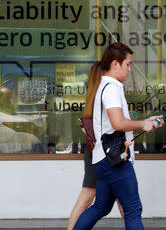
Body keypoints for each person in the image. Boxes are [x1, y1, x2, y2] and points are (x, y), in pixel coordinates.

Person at [73, 43, 163, 230]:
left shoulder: (105, 85)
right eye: (128, 64)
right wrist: (143, 124)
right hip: (115, 160)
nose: (130, 69)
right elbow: (118, 123)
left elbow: (116, 123)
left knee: (100, 207)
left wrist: (146, 120)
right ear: (115, 64)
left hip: (103, 158)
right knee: (132, 209)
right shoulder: (112, 88)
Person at [67, 62, 124, 230]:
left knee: (89, 197)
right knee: (122, 200)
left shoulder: (94, 96)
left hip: (95, 151)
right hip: (109, 152)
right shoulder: (108, 93)